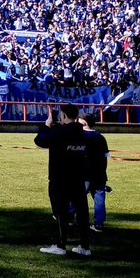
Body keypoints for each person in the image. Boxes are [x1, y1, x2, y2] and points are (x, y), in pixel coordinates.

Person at [34, 103, 91, 256]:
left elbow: (40, 141)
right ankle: (85, 246)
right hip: (78, 178)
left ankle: (60, 245)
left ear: (64, 116)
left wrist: (46, 126)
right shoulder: (83, 133)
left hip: (60, 178)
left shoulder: (59, 131)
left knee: (61, 212)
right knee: (82, 212)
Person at [82, 115, 109, 233]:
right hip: (100, 174)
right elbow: (106, 156)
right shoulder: (101, 137)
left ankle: (69, 218)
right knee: (99, 199)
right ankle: (99, 224)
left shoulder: (80, 137)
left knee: (76, 197)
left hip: (84, 174)